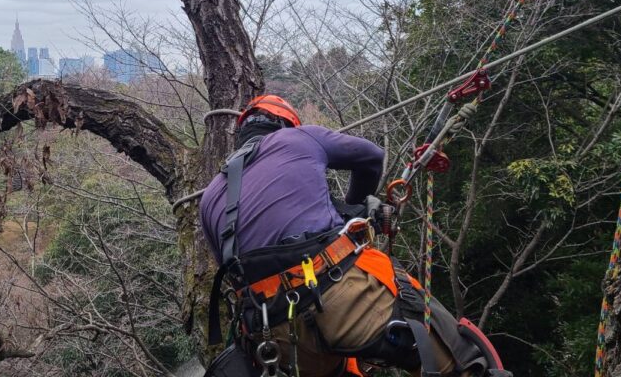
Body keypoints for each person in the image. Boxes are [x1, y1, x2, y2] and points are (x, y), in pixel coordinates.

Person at [200, 95, 508, 377]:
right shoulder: (297, 138)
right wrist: (355, 210)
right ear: (284, 125)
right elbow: (372, 157)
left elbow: (237, 271)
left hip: (272, 331)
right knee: (457, 358)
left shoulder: (210, 197)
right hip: (338, 292)